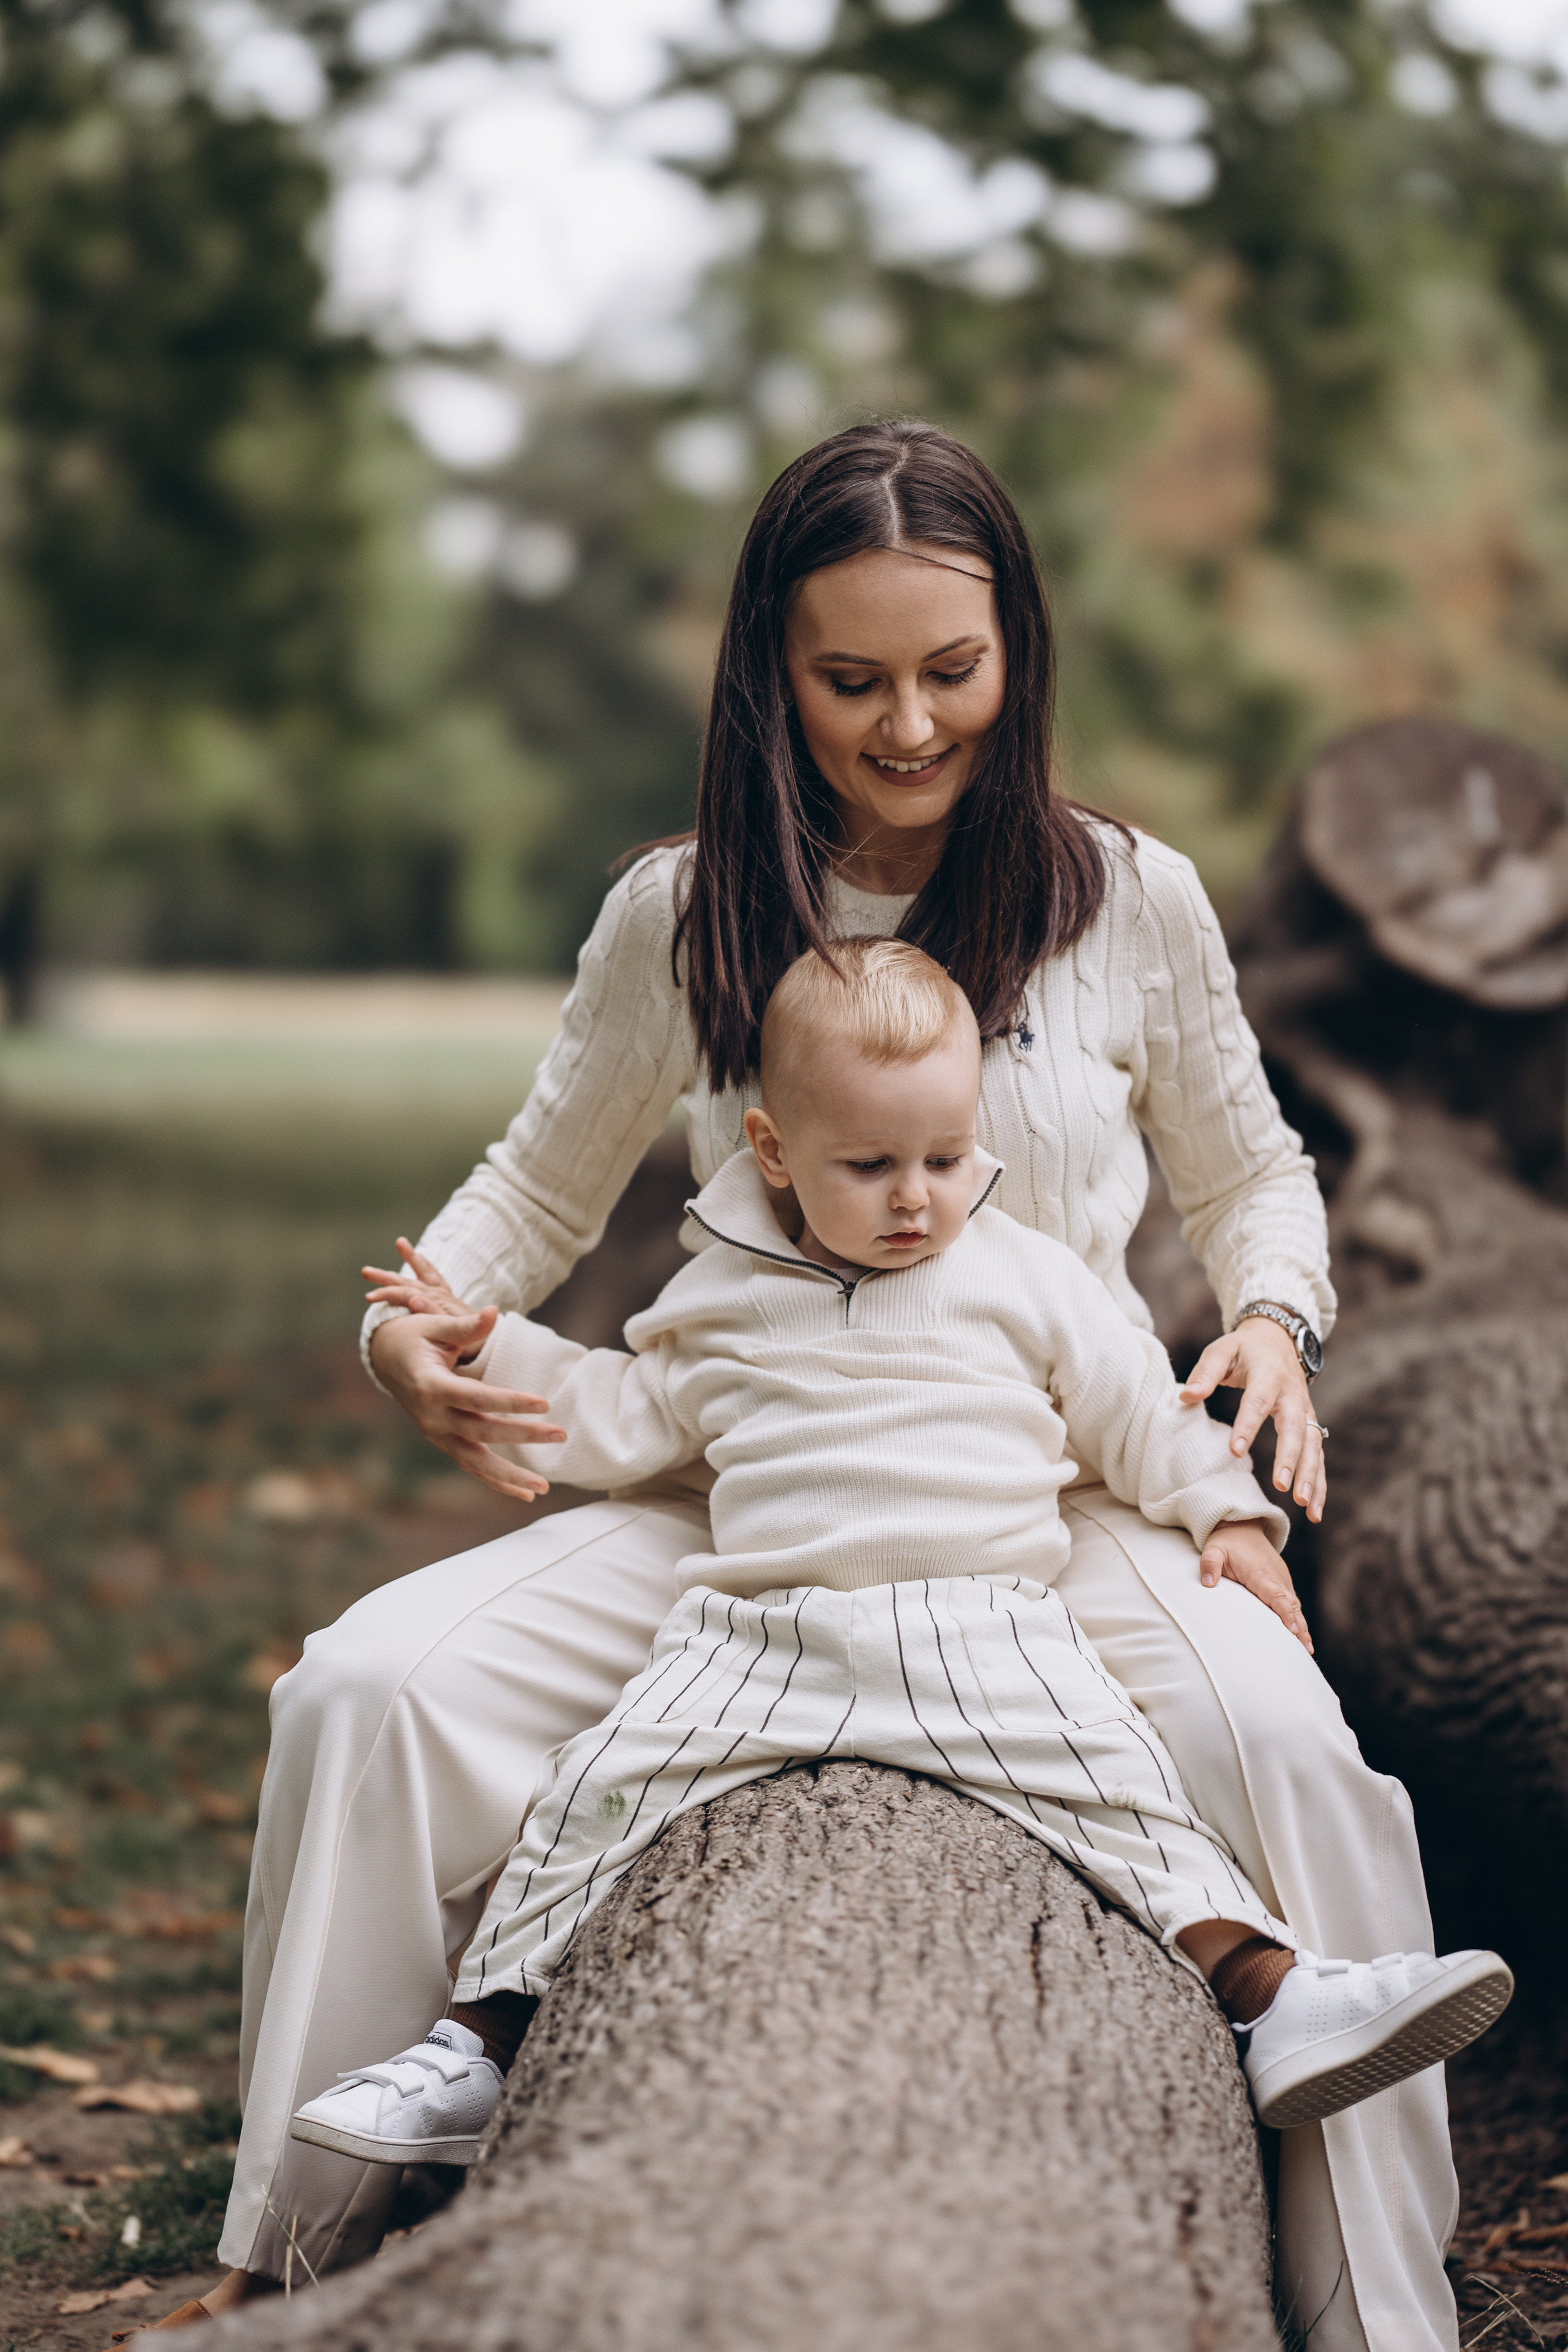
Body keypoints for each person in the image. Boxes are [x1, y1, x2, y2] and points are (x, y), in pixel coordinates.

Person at [191, 421, 1458, 2352]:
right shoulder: (684, 915)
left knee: (1288, 1754)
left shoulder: (1129, 898)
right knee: (368, 1691)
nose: (908, 725)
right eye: (848, 678)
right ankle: (298, 2259)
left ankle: (1379, 2313)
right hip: (740, 1487)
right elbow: (535, 1184)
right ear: (767, 673)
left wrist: (1274, 1319)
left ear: (1017, 649)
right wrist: (410, 1331)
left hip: (1051, 1490)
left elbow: (1253, 1169)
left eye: (952, 672)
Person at [288, 941, 1510, 2176]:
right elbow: (620, 1411)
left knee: (1125, 1796)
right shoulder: (720, 1294)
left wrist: (1229, 1516)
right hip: (756, 1632)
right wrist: (486, 1344)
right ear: (771, 1153)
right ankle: (471, 2048)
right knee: (589, 1801)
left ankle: (1274, 1994)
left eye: (944, 1156)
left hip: (984, 1624)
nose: (916, 1196)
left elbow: (1138, 1412)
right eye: (868, 1166)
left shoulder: (1024, 1278)